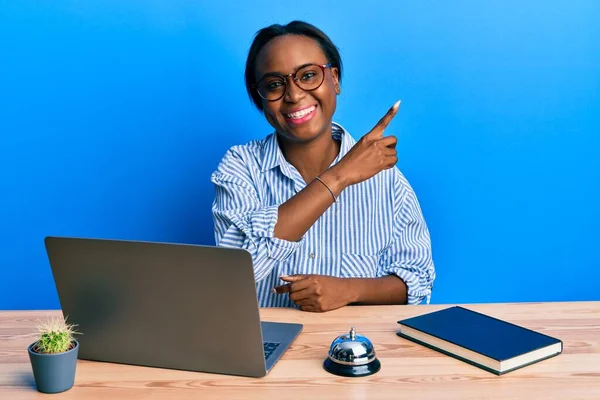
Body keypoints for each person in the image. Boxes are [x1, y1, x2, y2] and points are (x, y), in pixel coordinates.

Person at [211, 21, 435, 312]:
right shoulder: (240, 167)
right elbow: (231, 274)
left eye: (308, 75)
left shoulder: (387, 181)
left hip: (356, 349)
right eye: (275, 84)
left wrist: (348, 289)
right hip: (264, 350)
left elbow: (417, 282)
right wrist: (340, 176)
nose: (293, 95)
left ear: (335, 80)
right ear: (261, 100)